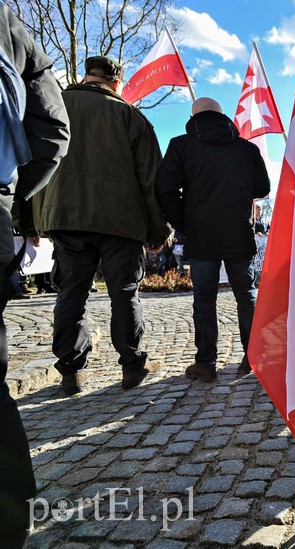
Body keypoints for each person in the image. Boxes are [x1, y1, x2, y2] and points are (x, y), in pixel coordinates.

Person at [33, 54, 169, 395]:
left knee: (71, 292)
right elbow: (151, 180)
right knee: (123, 291)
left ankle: (71, 372)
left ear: (86, 76)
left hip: (64, 215)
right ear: (116, 82)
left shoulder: (54, 106)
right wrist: (158, 231)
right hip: (119, 219)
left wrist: (29, 221)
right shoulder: (129, 115)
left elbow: (32, 161)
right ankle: (133, 365)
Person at [1, 5, 70, 546]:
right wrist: (10, 195)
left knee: (72, 288)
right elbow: (51, 132)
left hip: (70, 223)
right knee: (122, 293)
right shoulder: (7, 25)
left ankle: (70, 361)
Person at [156, 97, 269, 381]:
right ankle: (253, 359)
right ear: (223, 115)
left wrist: (184, 223)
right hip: (238, 232)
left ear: (193, 116)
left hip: (201, 234)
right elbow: (263, 187)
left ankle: (205, 363)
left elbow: (165, 188)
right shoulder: (246, 148)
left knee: (204, 300)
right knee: (247, 296)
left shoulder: (181, 145)